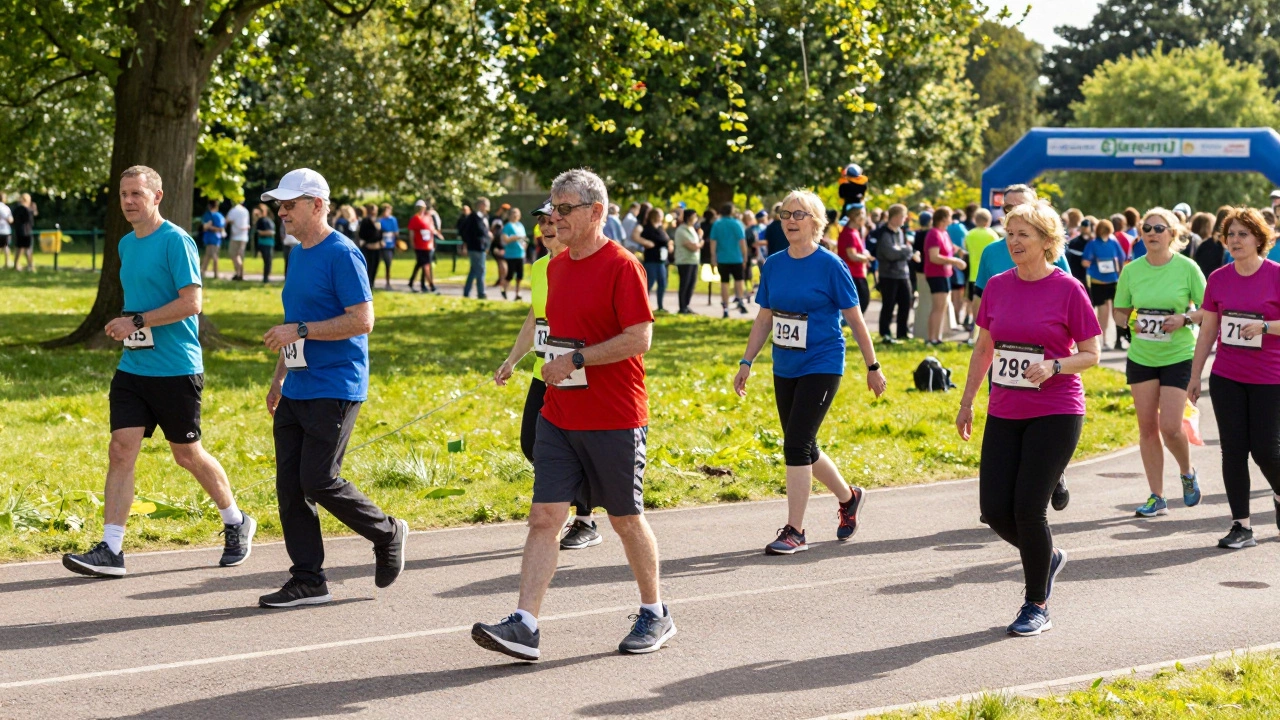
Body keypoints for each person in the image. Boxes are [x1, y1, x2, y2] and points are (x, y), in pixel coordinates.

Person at [472, 168, 673, 661]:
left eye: (565, 209)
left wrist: (578, 359)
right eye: (552, 208)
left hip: (614, 415)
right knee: (544, 517)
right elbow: (551, 332)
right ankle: (525, 624)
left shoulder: (622, 266)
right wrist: (534, 361)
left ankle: (655, 612)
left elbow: (639, 338)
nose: (554, 218)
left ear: (595, 212)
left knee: (625, 519)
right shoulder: (554, 269)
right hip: (559, 413)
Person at [61, 165, 254, 578]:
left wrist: (137, 321)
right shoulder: (127, 244)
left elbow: (192, 303)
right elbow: (141, 302)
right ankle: (111, 549)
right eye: (123, 194)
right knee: (120, 449)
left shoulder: (176, 241)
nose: (129, 201)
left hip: (176, 367)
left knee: (187, 455)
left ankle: (236, 521)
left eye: (136, 193)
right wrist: (129, 323)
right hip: (134, 366)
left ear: (157, 196)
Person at [258, 168, 408, 607]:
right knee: (290, 487)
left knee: (319, 479)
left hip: (336, 384)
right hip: (297, 386)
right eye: (279, 206)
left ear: (318, 205)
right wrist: (279, 378)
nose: (281, 212)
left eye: (290, 205)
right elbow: (292, 327)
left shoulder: (342, 253)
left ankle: (387, 531)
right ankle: (308, 579)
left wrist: (300, 331)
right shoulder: (298, 254)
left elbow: (363, 320)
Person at [955, 200, 1102, 636]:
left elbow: (1091, 353)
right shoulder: (998, 286)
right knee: (994, 510)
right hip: (1005, 409)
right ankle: (1049, 556)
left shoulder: (1068, 289)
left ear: (1046, 241)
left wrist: (1056, 365)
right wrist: (967, 402)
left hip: (1056, 409)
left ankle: (1036, 603)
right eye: (1010, 233)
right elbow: (984, 348)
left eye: (1024, 234)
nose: (1014, 242)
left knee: (1027, 510)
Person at [733, 189, 887, 555]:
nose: (790, 220)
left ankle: (795, 531)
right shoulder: (773, 264)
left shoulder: (831, 265)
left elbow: (855, 319)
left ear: (816, 222)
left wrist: (873, 365)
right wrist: (746, 361)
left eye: (799, 214)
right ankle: (849, 498)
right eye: (785, 213)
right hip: (785, 364)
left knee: (796, 444)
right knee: (805, 445)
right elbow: (765, 317)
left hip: (823, 361)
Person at [494, 198, 602, 550]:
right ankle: (563, 507)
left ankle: (585, 519)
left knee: (578, 446)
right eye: (542, 221)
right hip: (546, 371)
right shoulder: (542, 267)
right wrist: (512, 359)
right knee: (532, 442)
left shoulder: (586, 265)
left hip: (577, 372)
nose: (546, 227)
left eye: (554, 220)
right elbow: (534, 318)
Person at [976, 185, 1075, 512]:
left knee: (1041, 429)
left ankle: (1049, 477)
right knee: (1008, 426)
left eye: (1018, 207)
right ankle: (1011, 502)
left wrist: (1058, 359)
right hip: (1004, 358)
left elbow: (1067, 300)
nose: (1010, 214)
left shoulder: (1052, 251)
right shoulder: (992, 252)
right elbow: (983, 300)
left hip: (1044, 362)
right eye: (1005, 210)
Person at [1188, 207, 1280, 551]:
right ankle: (1241, 525)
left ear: (1259, 238)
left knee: (1267, 451)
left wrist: (1267, 327)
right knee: (1233, 451)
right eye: (1231, 234)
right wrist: (1195, 375)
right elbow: (1209, 328)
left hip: (1270, 377)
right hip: (1227, 376)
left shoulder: (1276, 275)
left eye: (1243, 234)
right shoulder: (1219, 278)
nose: (1236, 240)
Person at [1112, 208, 1205, 519]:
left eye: (1158, 228)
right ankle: (1157, 496)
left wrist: (1184, 318)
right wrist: (1132, 321)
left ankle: (1187, 471)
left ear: (1172, 234)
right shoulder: (1131, 270)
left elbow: (1210, 311)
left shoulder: (1188, 268)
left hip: (1178, 355)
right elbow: (1120, 312)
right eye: (1146, 228)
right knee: (1147, 428)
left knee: (1170, 427)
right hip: (1142, 357)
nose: (1151, 233)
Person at [1082, 218, 1127, 350]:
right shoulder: (1095, 243)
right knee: (1104, 312)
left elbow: (1122, 257)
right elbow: (1085, 261)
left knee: (1113, 311)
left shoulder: (1112, 242)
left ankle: (1112, 339)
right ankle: (1103, 339)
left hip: (1111, 280)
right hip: (1099, 281)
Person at [924, 208, 966, 345]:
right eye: (949, 216)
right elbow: (934, 257)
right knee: (938, 306)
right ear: (943, 218)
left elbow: (950, 248)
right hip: (935, 274)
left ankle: (937, 336)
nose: (951, 218)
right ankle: (931, 338)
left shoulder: (944, 233)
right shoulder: (933, 234)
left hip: (945, 273)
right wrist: (954, 261)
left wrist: (960, 251)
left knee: (942, 306)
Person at [871, 204, 913, 343]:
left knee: (906, 302)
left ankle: (902, 332)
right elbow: (890, 253)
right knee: (888, 305)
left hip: (903, 274)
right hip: (888, 275)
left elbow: (900, 251)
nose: (904, 219)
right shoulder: (884, 233)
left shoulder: (900, 232)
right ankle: (885, 333)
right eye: (902, 216)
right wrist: (905, 251)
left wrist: (902, 251)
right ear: (894, 217)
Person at [963, 209, 998, 345]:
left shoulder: (969, 234)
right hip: (989, 276)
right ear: (987, 221)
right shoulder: (993, 235)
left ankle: (973, 335)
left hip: (973, 275)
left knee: (974, 307)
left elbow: (966, 249)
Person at [710, 202, 749, 318]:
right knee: (739, 280)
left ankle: (725, 307)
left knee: (724, 283)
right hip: (736, 257)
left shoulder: (717, 224)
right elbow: (742, 242)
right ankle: (740, 301)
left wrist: (713, 257)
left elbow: (713, 242)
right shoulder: (737, 224)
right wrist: (745, 256)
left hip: (722, 258)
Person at [836, 204, 872, 312]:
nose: (865, 218)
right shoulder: (849, 233)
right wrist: (866, 258)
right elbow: (852, 255)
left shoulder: (855, 232)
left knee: (862, 302)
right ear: (856, 216)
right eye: (863, 215)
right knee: (860, 303)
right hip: (852, 273)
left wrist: (865, 253)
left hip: (857, 273)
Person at [637, 207, 672, 312]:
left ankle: (660, 306)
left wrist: (669, 245)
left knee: (662, 283)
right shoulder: (647, 229)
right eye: (659, 215)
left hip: (661, 260)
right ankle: (643, 305)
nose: (661, 217)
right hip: (651, 259)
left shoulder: (661, 229)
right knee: (650, 283)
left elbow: (666, 240)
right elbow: (644, 239)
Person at [460, 198, 491, 299]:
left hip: (481, 247)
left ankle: (466, 291)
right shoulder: (473, 217)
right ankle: (481, 292)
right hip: (476, 247)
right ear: (481, 205)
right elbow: (465, 231)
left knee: (474, 270)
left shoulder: (483, 217)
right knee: (481, 270)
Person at [673, 209, 703, 315]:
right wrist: (700, 243)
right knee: (685, 284)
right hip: (684, 261)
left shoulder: (692, 229)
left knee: (691, 284)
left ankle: (686, 305)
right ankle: (682, 307)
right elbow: (692, 246)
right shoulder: (681, 230)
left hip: (693, 260)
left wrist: (699, 241)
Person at [408, 199, 439, 294]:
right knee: (426, 265)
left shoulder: (428, 217)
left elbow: (432, 229)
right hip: (420, 246)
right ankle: (431, 285)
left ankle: (413, 282)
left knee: (420, 264)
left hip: (428, 245)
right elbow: (411, 233)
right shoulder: (415, 219)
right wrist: (412, 244)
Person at [947, 209, 970, 329]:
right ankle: (957, 319)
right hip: (960, 265)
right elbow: (966, 244)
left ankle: (953, 319)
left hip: (947, 263)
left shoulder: (947, 228)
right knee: (959, 293)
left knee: (951, 292)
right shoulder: (962, 228)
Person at [501, 208, 528, 300]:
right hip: (511, 254)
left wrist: (525, 245)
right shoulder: (507, 226)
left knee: (520, 276)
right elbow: (505, 240)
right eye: (513, 213)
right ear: (509, 215)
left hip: (520, 254)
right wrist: (514, 238)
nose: (515, 215)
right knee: (510, 275)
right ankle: (504, 290)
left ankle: (518, 293)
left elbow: (524, 239)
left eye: (517, 213)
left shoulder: (520, 225)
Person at [357, 203, 382, 289]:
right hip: (368, 247)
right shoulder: (366, 221)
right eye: (374, 210)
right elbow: (362, 234)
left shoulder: (378, 220)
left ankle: (372, 283)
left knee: (376, 265)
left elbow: (380, 233)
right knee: (369, 266)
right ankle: (368, 284)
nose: (375, 212)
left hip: (377, 247)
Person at [199, 199, 225, 279]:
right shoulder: (220, 215)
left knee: (213, 256)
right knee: (209, 256)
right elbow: (221, 227)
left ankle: (214, 273)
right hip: (217, 238)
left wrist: (209, 227)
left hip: (211, 238)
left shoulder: (209, 215)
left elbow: (205, 226)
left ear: (209, 206)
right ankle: (203, 272)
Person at [226, 200, 250, 282]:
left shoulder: (233, 210)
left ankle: (239, 272)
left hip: (235, 236)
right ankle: (240, 274)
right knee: (240, 256)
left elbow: (227, 220)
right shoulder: (245, 211)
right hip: (244, 236)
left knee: (234, 255)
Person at [376, 204, 398, 291]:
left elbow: (396, 232)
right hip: (381, 245)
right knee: (376, 264)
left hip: (390, 245)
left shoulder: (393, 220)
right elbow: (377, 232)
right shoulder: (379, 220)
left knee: (388, 264)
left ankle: (388, 283)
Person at [11, 193, 34, 271]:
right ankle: (30, 265)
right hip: (26, 231)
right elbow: (30, 221)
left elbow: (13, 220)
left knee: (19, 248)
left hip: (18, 230)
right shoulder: (27, 210)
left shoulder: (16, 209)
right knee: (28, 249)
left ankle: (16, 265)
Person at [253, 204, 276, 283]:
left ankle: (266, 277)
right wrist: (269, 232)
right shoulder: (261, 220)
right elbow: (259, 232)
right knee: (267, 262)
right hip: (264, 243)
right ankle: (266, 278)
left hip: (269, 243)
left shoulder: (268, 220)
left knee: (268, 262)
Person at [0, 192, 12, 270]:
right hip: (4, 230)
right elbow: (10, 219)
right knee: (6, 247)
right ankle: (7, 263)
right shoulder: (4, 207)